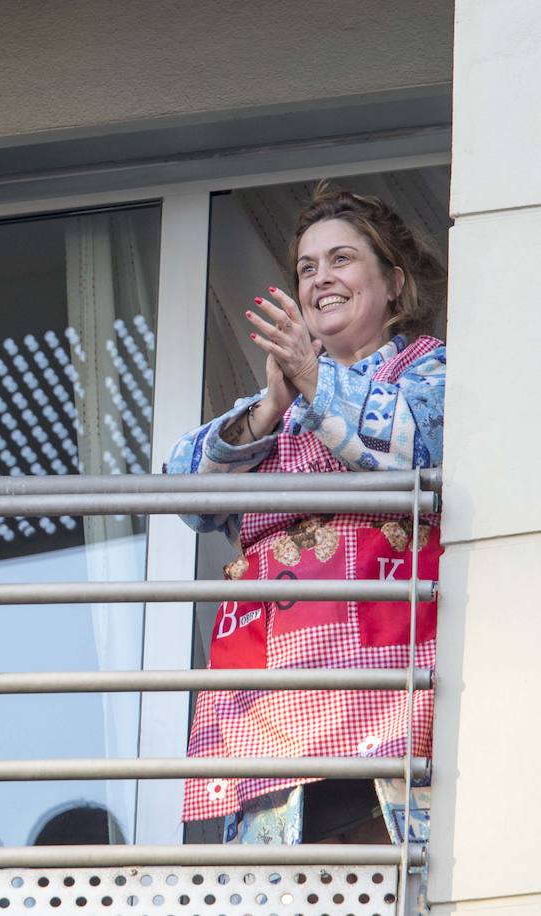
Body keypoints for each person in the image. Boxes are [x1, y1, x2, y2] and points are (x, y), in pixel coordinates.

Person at [165, 182, 446, 845]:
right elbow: (185, 491)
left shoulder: (430, 371)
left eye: (342, 259)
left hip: (385, 684)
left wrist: (317, 385)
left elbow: (412, 440)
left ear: (395, 283)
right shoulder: (275, 405)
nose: (321, 279)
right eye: (307, 267)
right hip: (276, 695)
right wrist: (268, 406)